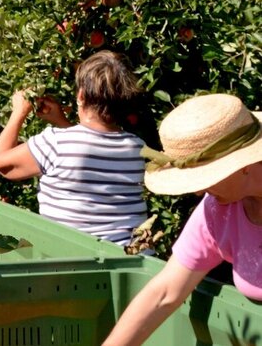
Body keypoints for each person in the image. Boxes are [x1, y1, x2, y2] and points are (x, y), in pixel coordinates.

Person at [103, 93, 262, 345]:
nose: (198, 191)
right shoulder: (218, 210)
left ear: (242, 164)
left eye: (205, 176)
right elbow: (165, 292)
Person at [0, 50, 147, 245]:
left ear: (81, 95)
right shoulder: (137, 148)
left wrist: (19, 113)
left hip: (74, 263)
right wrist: (62, 121)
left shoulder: (55, 143)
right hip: (130, 258)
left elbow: (1, 163)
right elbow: (89, 150)